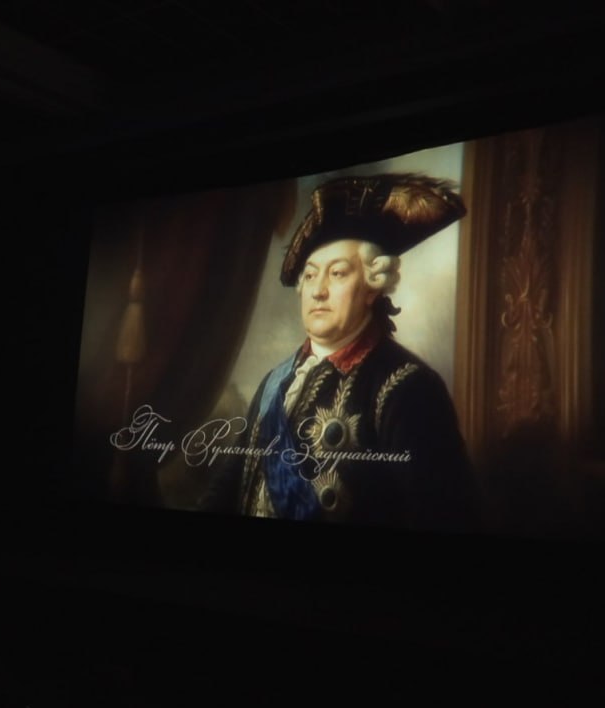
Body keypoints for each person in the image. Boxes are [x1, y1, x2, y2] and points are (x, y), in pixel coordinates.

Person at [200, 174, 477, 531]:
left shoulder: (409, 388)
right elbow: (230, 484)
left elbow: (443, 516)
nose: (318, 290)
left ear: (372, 288)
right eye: (311, 275)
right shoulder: (274, 382)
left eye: (338, 273)